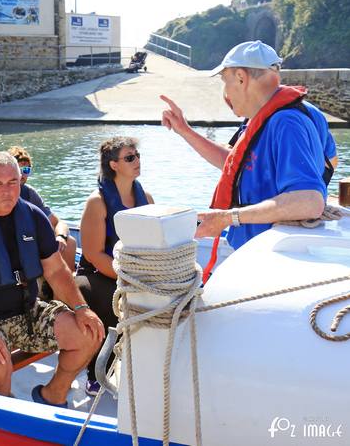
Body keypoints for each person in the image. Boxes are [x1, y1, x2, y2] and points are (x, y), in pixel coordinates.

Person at [0, 151, 104, 407]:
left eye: (13, 182)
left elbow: (56, 271)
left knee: (90, 332)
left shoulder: (33, 216)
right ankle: (2, 417)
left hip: (29, 311)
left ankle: (53, 396)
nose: (6, 191)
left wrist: (81, 308)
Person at [160, 40, 326, 252]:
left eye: (224, 81)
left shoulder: (286, 123)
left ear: (240, 78)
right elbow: (236, 164)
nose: (226, 93)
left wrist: (228, 217)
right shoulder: (260, 120)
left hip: (271, 257)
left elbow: (310, 201)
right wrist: (184, 130)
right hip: (251, 250)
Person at [78, 136, 154, 395]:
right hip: (98, 274)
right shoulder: (97, 203)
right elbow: (94, 254)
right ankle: (96, 372)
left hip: (132, 272)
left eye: (138, 156)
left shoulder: (148, 198)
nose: (137, 161)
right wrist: (129, 278)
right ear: (113, 165)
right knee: (113, 301)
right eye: (130, 157)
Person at [7, 146, 78, 272]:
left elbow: (58, 222)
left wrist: (61, 236)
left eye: (26, 170)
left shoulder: (29, 193)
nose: (22, 174)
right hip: (13, 245)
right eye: (19, 169)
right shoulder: (0, 193)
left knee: (70, 242)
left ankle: (64, 289)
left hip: (32, 243)